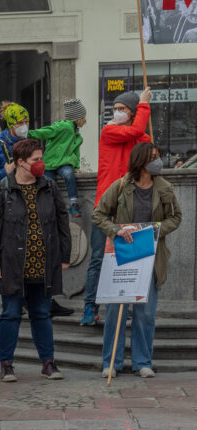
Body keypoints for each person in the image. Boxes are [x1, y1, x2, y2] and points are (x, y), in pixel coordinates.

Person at [0, 139, 71, 383]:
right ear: (20, 162)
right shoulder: (2, 189)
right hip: (12, 263)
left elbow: (62, 222)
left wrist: (64, 255)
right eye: (35, 159)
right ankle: (7, 364)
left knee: (42, 313)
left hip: (43, 263)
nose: (40, 164)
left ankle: (48, 362)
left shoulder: (49, 187)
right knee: (10, 314)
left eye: (41, 158)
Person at [94, 143, 180, 378]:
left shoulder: (164, 188)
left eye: (159, 156)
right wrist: (115, 230)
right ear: (140, 161)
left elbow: (176, 217)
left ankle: (143, 361)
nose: (158, 161)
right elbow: (98, 214)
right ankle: (112, 361)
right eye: (153, 157)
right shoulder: (121, 186)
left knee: (145, 313)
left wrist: (156, 231)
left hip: (150, 257)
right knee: (115, 311)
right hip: (122, 255)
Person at [80, 88, 153, 327]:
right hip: (107, 205)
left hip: (131, 204)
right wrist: (144, 104)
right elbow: (138, 131)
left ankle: (123, 303)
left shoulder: (136, 135)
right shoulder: (109, 130)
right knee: (99, 257)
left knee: (128, 258)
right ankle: (90, 307)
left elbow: (145, 143)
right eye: (116, 108)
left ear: (131, 113)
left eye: (123, 109)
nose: (117, 112)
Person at [28, 98, 87, 218]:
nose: (85, 120)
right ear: (78, 117)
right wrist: (27, 134)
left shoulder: (78, 136)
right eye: (83, 116)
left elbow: (76, 153)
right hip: (50, 163)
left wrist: (76, 167)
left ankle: (73, 204)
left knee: (64, 177)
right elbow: (45, 132)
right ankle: (52, 206)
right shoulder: (63, 127)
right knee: (51, 183)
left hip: (63, 163)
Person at [0, 103, 31, 184]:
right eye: (20, 123)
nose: (24, 126)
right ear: (10, 125)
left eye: (26, 122)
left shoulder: (29, 144)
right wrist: (5, 172)